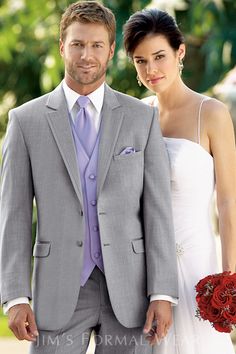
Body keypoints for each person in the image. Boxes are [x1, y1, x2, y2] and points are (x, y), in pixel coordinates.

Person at [0, 2, 179, 353]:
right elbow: (14, 214)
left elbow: (158, 211)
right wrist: (15, 295)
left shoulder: (140, 118)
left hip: (130, 291)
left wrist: (161, 291)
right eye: (78, 44)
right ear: (62, 47)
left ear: (111, 51)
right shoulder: (26, 121)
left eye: (97, 45)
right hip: (59, 290)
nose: (87, 55)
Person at [123, 8, 236, 354]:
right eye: (141, 61)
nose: (151, 70)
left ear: (180, 52)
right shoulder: (136, 116)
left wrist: (229, 277)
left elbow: (229, 201)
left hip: (198, 266)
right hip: (146, 269)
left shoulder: (211, 113)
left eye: (159, 57)